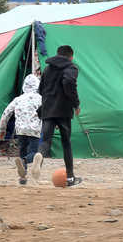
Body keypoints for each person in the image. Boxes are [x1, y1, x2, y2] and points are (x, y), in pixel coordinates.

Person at [30, 45, 83, 187]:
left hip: (47, 109)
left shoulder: (48, 69)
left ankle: (39, 157)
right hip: (63, 110)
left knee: (46, 140)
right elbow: (69, 82)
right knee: (66, 143)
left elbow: (41, 89)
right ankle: (70, 177)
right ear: (70, 56)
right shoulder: (71, 68)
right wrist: (75, 104)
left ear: (57, 54)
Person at [0, 74, 42, 185]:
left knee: (23, 150)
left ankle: (23, 177)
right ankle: (26, 161)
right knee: (33, 152)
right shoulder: (41, 99)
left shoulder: (18, 99)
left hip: (20, 130)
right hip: (34, 130)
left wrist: (2, 130)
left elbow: (6, 113)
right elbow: (49, 110)